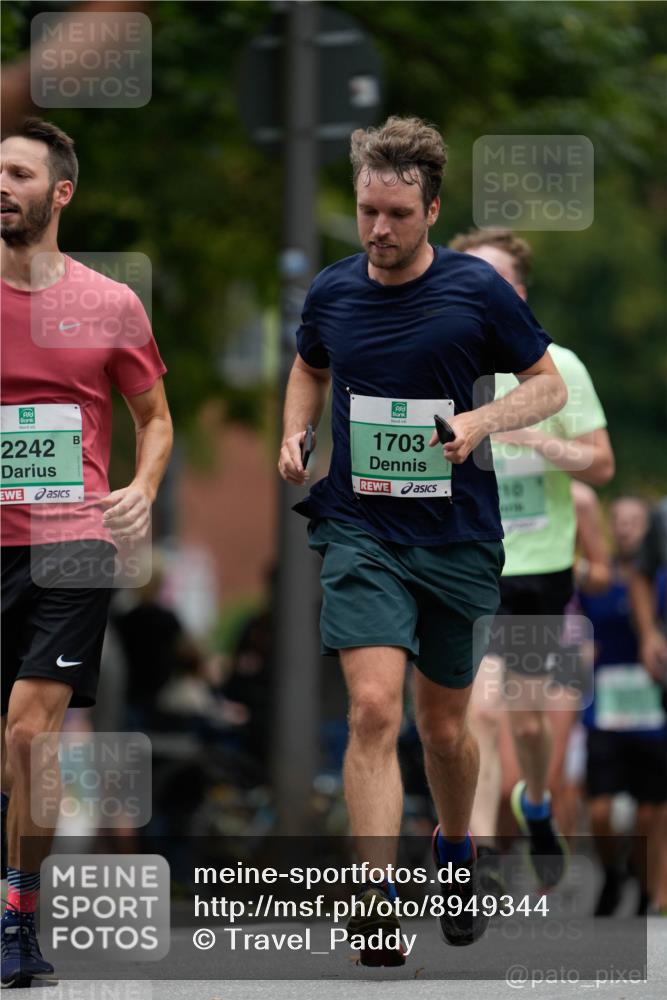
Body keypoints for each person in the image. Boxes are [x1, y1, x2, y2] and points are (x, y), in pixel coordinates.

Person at [278, 117, 568, 965]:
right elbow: (309, 365)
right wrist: (295, 433)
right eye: (367, 211)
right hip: (360, 527)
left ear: (431, 211)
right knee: (372, 709)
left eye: (397, 215)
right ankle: (374, 902)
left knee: (442, 729)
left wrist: (480, 420)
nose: (378, 229)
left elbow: (545, 387)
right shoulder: (332, 290)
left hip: (457, 539)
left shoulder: (477, 292)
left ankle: (454, 849)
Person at [0, 118, 172, 987]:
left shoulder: (110, 304)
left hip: (71, 546)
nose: (2, 186)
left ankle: (17, 915)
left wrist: (142, 489)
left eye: (19, 173)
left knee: (30, 735)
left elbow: (156, 419)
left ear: (60, 193)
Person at [453, 228, 614, 890]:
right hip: (471, 561)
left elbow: (601, 465)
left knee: (524, 723)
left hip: (538, 573)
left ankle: (537, 805)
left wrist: (541, 444)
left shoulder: (559, 368)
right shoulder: (449, 368)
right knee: (482, 713)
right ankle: (481, 859)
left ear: (516, 294)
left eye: (489, 282)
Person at [579, 497, 667, 915]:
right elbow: (568, 627)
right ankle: (612, 871)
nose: (627, 527)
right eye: (619, 519)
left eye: (636, 520)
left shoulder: (660, 578)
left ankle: (647, 887)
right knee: (600, 809)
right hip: (605, 708)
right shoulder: (595, 581)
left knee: (649, 814)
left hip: (653, 710)